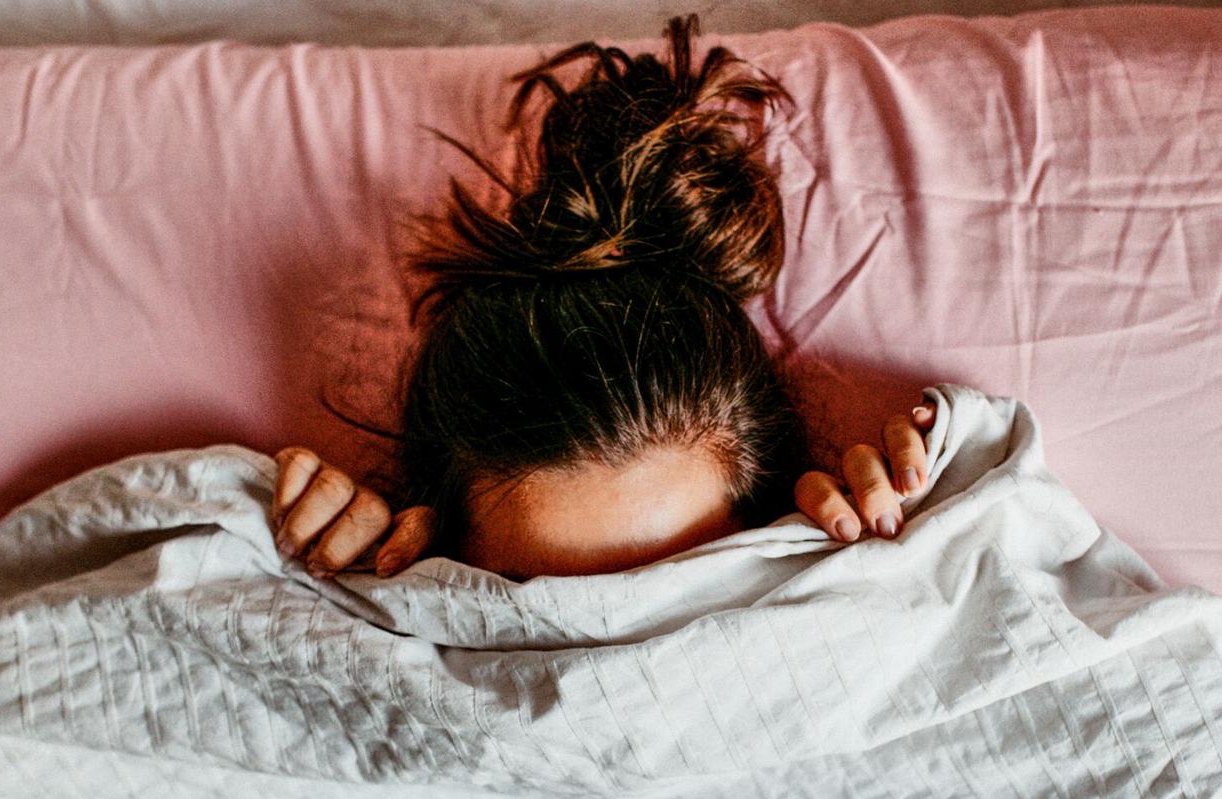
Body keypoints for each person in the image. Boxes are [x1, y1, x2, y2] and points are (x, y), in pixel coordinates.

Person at [271, 14, 936, 582]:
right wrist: (309, 562)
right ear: (447, 554)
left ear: (769, 527)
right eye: (541, 602)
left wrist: (918, 532)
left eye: (676, 587)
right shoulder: (396, 588)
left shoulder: (842, 569)